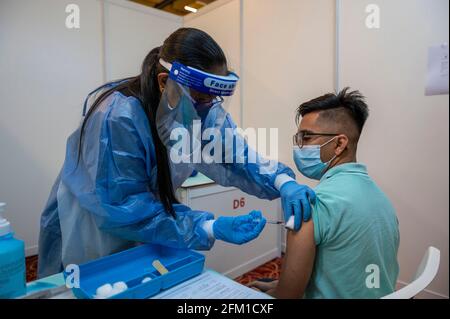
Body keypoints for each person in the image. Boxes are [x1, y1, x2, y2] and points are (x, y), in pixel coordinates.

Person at [38, 28, 315, 278]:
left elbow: (237, 156)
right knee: (103, 285)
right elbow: (124, 207)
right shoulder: (117, 117)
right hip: (95, 225)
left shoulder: (200, 109)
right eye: (201, 98)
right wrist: (209, 227)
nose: (208, 108)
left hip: (148, 221)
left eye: (213, 99)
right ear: (164, 82)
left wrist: (283, 182)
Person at [249, 88, 400, 299]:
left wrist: (282, 287)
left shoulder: (311, 203)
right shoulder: (381, 198)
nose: (298, 146)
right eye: (298, 137)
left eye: (306, 137)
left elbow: (288, 296)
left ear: (339, 144)